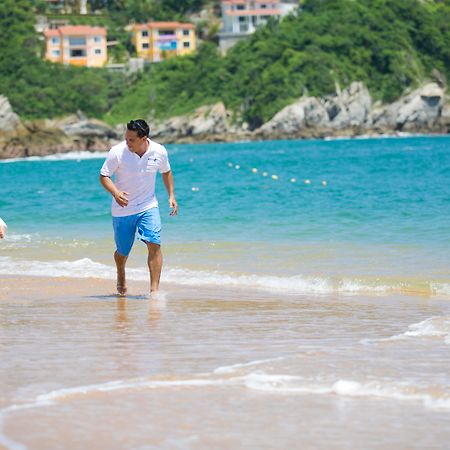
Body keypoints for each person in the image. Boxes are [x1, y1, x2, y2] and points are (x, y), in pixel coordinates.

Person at [99, 119, 178, 296]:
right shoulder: (117, 152)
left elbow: (166, 172)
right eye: (126, 138)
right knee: (123, 251)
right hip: (122, 209)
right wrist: (115, 193)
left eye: (132, 140)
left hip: (148, 205)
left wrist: (171, 195)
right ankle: (121, 273)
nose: (127, 142)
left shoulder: (159, 151)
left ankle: (154, 292)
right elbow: (104, 176)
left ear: (144, 138)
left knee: (154, 243)